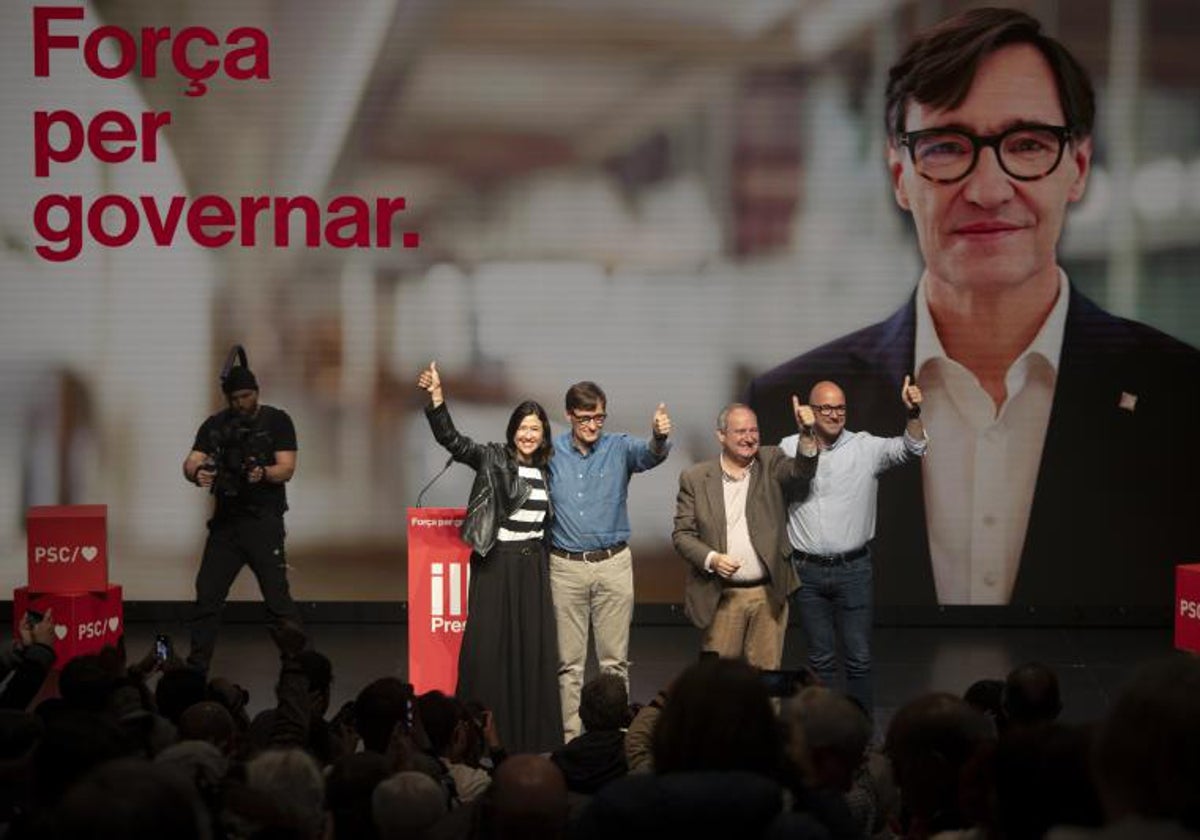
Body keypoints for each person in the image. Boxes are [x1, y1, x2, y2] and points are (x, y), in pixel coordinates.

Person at [746, 7, 1200, 609]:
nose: (987, 190)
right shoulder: (789, 411)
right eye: (945, 147)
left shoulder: (1184, 403)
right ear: (900, 177)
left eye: (1029, 144)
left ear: (1079, 168)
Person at [417, 361, 562, 754]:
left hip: (532, 567)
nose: (528, 435)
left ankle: (530, 736)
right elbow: (454, 441)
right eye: (523, 427)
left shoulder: (549, 470)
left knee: (531, 653)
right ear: (512, 431)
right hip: (497, 564)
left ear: (543, 434)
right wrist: (437, 401)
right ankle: (478, 736)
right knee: (488, 652)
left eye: (536, 429)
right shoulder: (494, 458)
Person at [779, 378, 926, 714]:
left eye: (840, 407)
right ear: (809, 410)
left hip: (853, 569)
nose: (834, 414)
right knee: (820, 659)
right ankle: (825, 732)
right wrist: (804, 436)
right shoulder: (788, 446)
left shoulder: (865, 447)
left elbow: (912, 447)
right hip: (806, 571)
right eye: (826, 408)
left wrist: (914, 412)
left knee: (858, 658)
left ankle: (860, 738)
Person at [547, 381, 672, 741]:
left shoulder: (619, 447)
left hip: (613, 564)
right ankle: (571, 739)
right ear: (570, 415)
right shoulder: (551, 452)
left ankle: (615, 737)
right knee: (568, 665)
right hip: (566, 567)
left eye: (599, 417)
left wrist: (659, 437)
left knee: (614, 663)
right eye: (586, 418)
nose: (593, 425)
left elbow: (651, 455)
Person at [672, 400, 817, 668]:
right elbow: (682, 535)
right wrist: (712, 559)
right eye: (740, 432)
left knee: (767, 684)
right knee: (716, 686)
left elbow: (802, 472)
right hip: (721, 597)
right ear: (721, 436)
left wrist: (808, 434)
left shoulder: (771, 460)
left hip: (768, 596)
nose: (749, 438)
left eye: (754, 431)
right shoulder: (695, 477)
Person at [182, 353, 301, 673]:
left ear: (257, 392)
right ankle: (196, 670)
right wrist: (198, 474)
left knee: (278, 602)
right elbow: (192, 460)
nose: (241, 403)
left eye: (246, 396)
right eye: (235, 398)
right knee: (207, 596)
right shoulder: (215, 425)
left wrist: (263, 473)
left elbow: (287, 468)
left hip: (264, 523)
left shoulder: (277, 420)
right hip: (225, 527)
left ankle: (300, 670)